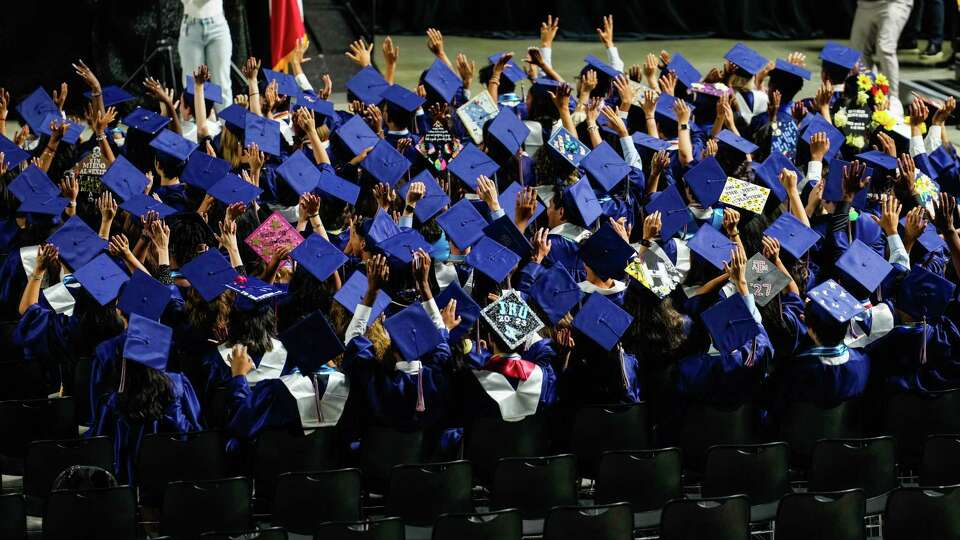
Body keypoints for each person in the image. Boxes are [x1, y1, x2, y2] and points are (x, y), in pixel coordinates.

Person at [850, 0, 914, 106]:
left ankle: (893, 101)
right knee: (857, 51)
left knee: (885, 48)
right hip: (865, 4)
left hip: (894, 3)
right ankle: (867, 97)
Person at [178, 0, 233, 109]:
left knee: (222, 86)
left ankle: (227, 125)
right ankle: (194, 125)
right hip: (191, 26)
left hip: (217, 26)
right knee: (191, 86)